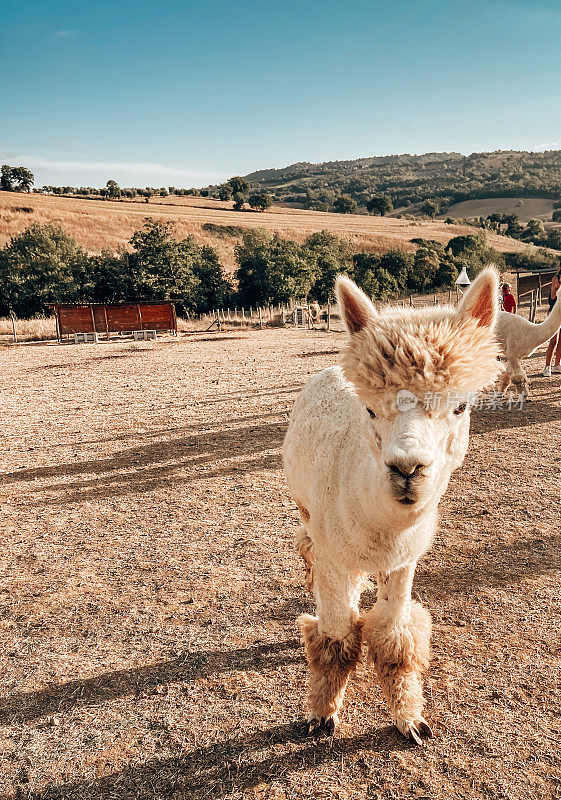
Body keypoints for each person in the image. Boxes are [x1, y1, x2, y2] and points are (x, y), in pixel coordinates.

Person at [542, 269, 561, 377]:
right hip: (554, 311)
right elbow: (553, 297)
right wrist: (557, 287)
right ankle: (547, 366)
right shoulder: (555, 279)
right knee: (553, 340)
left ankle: (557, 364)